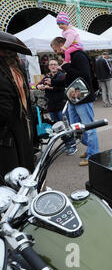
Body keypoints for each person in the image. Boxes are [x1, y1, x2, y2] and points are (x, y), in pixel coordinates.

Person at [51, 36, 99, 167]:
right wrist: (53, 82)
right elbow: (71, 79)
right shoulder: (71, 56)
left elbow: (84, 75)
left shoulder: (78, 55)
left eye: (56, 49)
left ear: (62, 44)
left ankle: (93, 155)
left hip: (82, 97)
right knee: (75, 127)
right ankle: (91, 149)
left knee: (89, 127)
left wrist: (67, 67)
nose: (56, 53)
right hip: (74, 98)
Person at [0, 32, 35, 177]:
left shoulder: (5, 74)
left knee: (13, 180)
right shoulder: (15, 72)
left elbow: (3, 111)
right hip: (21, 132)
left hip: (8, 139)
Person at [37, 59, 77, 155]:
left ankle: (72, 145)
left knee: (66, 126)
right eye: (51, 65)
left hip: (61, 105)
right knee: (58, 128)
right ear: (49, 67)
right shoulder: (47, 77)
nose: (53, 66)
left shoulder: (62, 76)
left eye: (55, 64)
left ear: (58, 66)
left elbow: (63, 87)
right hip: (51, 106)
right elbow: (37, 85)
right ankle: (66, 144)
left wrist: (49, 87)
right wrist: (39, 86)